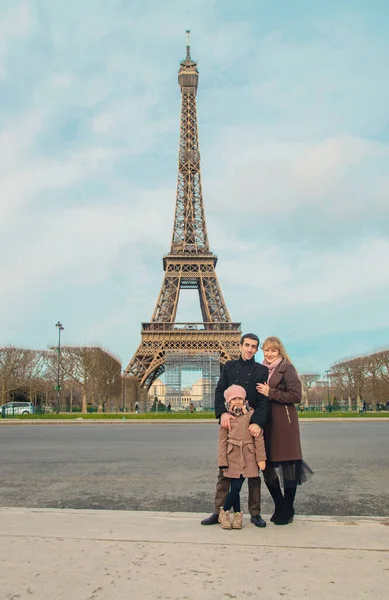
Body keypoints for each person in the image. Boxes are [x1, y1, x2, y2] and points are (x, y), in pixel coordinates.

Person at [201, 333, 269, 527]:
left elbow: (263, 402)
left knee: (253, 476)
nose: (249, 349)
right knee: (224, 475)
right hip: (231, 425)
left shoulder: (261, 370)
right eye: (246, 345)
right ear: (240, 346)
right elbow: (219, 390)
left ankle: (255, 513)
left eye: (253, 346)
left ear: (256, 349)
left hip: (251, 426)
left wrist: (257, 422)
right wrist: (222, 413)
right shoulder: (229, 366)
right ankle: (218, 512)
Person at [257, 336, 313, 526]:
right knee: (267, 468)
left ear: (280, 352)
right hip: (266, 424)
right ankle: (280, 505)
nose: (269, 354)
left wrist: (270, 393)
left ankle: (287, 508)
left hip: (284, 424)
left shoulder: (287, 368)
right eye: (266, 350)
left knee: (288, 466)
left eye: (273, 350)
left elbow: (296, 395)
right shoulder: (260, 370)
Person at [218, 384, 266, 529]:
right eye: (234, 399)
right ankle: (237, 515)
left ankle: (224, 511)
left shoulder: (251, 414)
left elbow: (258, 437)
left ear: (244, 399)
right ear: (228, 402)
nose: (238, 401)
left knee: (236, 487)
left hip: (247, 456)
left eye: (240, 398)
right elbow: (222, 441)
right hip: (232, 456)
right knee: (235, 487)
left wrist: (261, 458)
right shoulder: (226, 417)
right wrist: (222, 461)